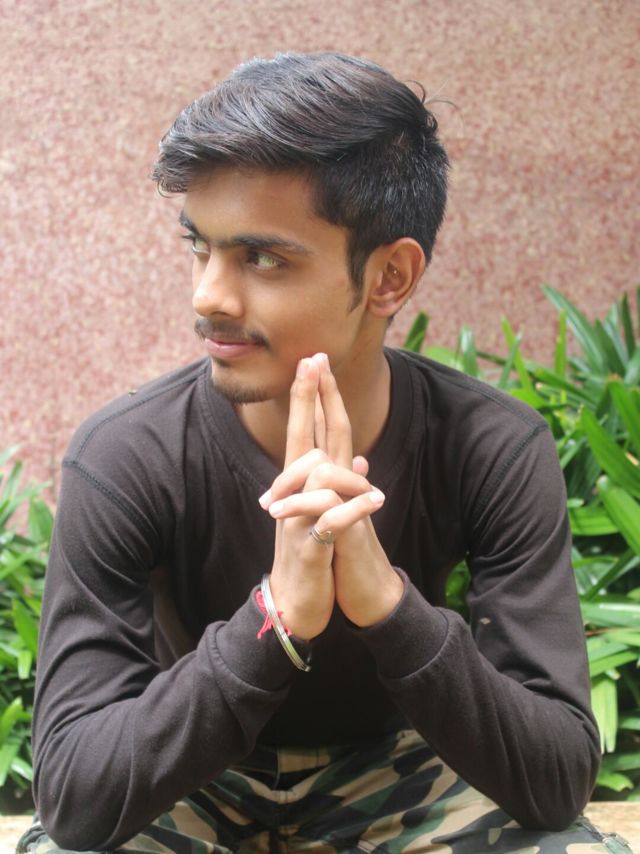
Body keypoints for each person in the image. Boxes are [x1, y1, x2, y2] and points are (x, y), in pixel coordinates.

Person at [18, 53, 631, 854]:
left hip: (402, 773)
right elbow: (74, 798)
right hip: (193, 777)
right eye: (199, 246)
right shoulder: (126, 455)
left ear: (389, 277)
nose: (208, 295)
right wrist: (275, 619)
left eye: (262, 258)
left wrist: (388, 605)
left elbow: (555, 782)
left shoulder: (492, 447)